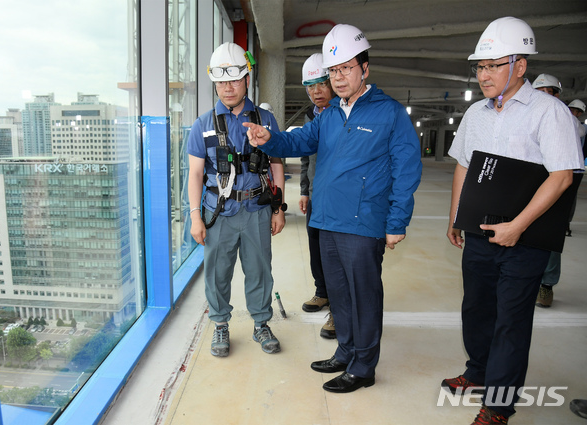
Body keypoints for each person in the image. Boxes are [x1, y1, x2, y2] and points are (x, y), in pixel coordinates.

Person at [244, 24, 422, 393]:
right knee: (338, 293)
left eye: (346, 69)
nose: (338, 78)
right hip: (326, 219)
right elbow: (298, 141)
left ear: (365, 69)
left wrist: (397, 221)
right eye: (334, 71)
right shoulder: (327, 116)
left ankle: (364, 366)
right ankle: (345, 352)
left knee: (364, 296)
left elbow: (408, 170)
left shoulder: (389, 114)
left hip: (364, 222)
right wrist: (269, 138)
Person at [444, 17, 583, 424]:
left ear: (520, 65)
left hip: (526, 240)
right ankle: (478, 373)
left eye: (493, 66)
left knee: (511, 322)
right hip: (481, 232)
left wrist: (518, 225)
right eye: (480, 67)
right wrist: (456, 217)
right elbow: (462, 167)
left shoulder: (550, 113)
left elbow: (561, 178)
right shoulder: (476, 113)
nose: (483, 75)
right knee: (477, 309)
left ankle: (499, 405)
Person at [187, 42, 286, 357]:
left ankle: (260, 323)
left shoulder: (265, 119)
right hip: (219, 212)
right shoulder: (203, 125)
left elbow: (276, 164)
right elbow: (195, 175)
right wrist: (194, 216)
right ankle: (220, 325)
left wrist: (278, 209)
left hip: (256, 209)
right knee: (217, 271)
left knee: (260, 270)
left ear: (247, 78)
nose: (227, 88)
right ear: (214, 82)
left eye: (233, 79)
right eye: (220, 81)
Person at [531, 77, 584, 308]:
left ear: (557, 95)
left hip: (560, 178)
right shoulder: (526, 114)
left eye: (548, 92)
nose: (543, 95)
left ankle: (546, 285)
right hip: (531, 176)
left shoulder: (566, 118)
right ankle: (527, 279)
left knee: (550, 233)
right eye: (538, 91)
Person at [299, 53, 336, 339]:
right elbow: (305, 157)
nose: (316, 92)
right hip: (315, 196)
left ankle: (338, 310)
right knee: (316, 248)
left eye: (321, 84)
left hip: (338, 199)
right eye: (310, 87)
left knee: (335, 254)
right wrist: (303, 190)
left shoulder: (344, 114)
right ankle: (322, 293)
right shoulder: (310, 116)